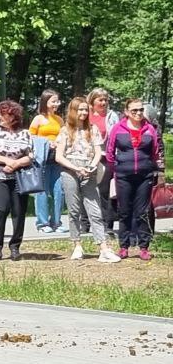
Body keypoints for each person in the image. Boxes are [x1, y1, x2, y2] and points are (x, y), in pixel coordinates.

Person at [56, 96, 119, 263]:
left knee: (95, 210)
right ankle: (77, 244)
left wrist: (91, 166)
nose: (83, 113)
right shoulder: (65, 130)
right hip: (70, 171)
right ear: (73, 111)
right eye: (80, 110)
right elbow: (59, 156)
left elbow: (98, 151)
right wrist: (76, 168)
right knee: (74, 210)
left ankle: (103, 247)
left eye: (85, 109)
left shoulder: (92, 129)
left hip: (89, 171)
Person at [106, 98, 164, 261]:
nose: (138, 113)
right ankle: (124, 246)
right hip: (123, 175)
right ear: (126, 112)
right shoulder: (118, 129)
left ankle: (144, 247)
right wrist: (117, 169)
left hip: (144, 176)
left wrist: (152, 168)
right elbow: (110, 153)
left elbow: (154, 151)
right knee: (124, 211)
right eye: (134, 111)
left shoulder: (149, 129)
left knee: (143, 212)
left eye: (140, 110)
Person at [0, 100, 34, 261]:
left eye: (2, 114)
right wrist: (7, 162)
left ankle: (15, 246)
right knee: (1, 208)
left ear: (12, 116)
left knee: (19, 212)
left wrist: (16, 164)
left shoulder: (25, 133)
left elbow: (30, 156)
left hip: (19, 177)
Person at [29, 89, 65, 233]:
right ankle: (42, 223)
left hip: (56, 159)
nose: (57, 104)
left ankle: (56, 221)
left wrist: (58, 141)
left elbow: (63, 135)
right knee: (41, 191)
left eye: (57, 101)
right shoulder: (38, 119)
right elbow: (30, 137)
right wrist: (45, 142)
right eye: (53, 101)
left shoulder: (59, 119)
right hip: (41, 159)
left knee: (59, 191)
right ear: (45, 102)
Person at [87, 88, 121, 237]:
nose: (103, 103)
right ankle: (86, 222)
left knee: (105, 191)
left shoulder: (112, 116)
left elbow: (117, 135)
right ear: (92, 101)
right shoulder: (85, 115)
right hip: (88, 157)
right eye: (100, 100)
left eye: (105, 100)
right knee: (87, 189)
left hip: (106, 156)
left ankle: (108, 224)